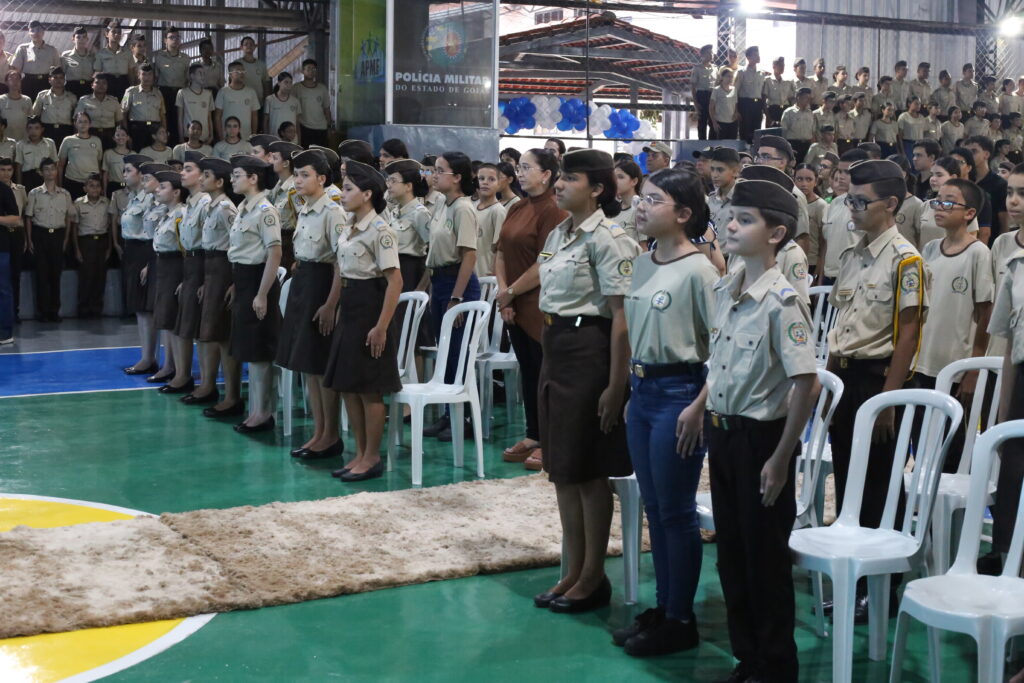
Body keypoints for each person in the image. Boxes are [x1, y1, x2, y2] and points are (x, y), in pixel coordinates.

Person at [682, 177, 819, 683]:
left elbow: (806, 383)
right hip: (722, 434)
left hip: (761, 441)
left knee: (764, 559)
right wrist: (699, 405)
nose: (731, 226)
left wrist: (782, 458)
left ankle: (776, 666)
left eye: (745, 220)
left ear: (776, 233)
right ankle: (748, 658)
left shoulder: (782, 301)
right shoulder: (728, 287)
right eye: (730, 217)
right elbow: (721, 364)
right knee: (732, 555)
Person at [614, 168, 718, 657]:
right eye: (642, 198)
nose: (641, 206)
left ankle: (681, 619)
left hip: (681, 393)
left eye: (654, 200)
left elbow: (724, 348)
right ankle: (663, 607)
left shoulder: (700, 272)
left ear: (683, 213)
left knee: (676, 512)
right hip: (644, 391)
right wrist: (629, 389)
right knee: (654, 509)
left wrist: (699, 406)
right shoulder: (642, 263)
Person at [532, 149, 639, 615]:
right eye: (559, 176)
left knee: (589, 470)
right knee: (562, 468)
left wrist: (616, 385)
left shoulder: (609, 239)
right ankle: (572, 570)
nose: (558, 184)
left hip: (590, 353)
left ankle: (593, 576)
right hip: (556, 348)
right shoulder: (559, 233)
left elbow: (622, 318)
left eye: (570, 178)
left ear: (596, 189)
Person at [826, 159, 928, 621]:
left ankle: (883, 587)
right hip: (847, 379)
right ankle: (856, 577)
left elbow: (908, 334)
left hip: (878, 381)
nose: (852, 207)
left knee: (881, 484)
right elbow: (841, 326)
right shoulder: (854, 254)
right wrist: (829, 383)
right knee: (849, 478)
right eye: (849, 198)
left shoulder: (906, 260)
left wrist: (888, 400)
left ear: (890, 204)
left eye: (860, 201)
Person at [321, 160, 402, 481]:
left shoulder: (380, 231)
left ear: (367, 194)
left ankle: (372, 457)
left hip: (371, 309)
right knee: (348, 387)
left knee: (369, 389)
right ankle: (358, 453)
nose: (342, 194)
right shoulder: (350, 226)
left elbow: (395, 282)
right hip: (351, 307)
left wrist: (381, 327)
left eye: (349, 188)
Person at [917, 178, 993, 473]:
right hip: (922, 362)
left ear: (969, 213)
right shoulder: (930, 249)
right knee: (920, 439)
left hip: (955, 367)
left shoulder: (978, 253)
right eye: (937, 200)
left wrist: (973, 369)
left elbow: (985, 314)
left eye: (949, 202)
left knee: (951, 446)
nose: (939, 207)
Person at [983, 168, 1024, 579]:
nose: (1014, 201)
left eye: (1023, 194)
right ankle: (1007, 560)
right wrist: (1003, 413)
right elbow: (1011, 343)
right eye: (1010, 192)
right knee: (1012, 472)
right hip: (1021, 379)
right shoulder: (1011, 258)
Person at [227, 154, 282, 433]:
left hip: (259, 281)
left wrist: (261, 294)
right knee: (250, 349)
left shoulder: (265, 210)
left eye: (237, 175)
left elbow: (274, 253)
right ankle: (256, 409)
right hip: (244, 278)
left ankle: (264, 413)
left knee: (260, 351)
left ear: (253, 178)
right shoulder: (244, 208)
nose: (232, 179)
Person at [193, 156, 242, 413]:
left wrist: (234, 281)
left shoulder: (225, 208)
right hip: (212, 268)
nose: (201, 179)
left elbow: (236, 244)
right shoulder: (211, 207)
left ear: (220, 182)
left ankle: (232, 396)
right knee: (212, 332)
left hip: (224, 269)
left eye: (207, 176)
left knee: (224, 335)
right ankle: (211, 386)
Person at [166, 151, 210, 397]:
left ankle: (205, 382)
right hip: (190, 263)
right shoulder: (191, 203)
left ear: (202, 175)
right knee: (185, 324)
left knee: (202, 328)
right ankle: (183, 376)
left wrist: (203, 279)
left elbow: (211, 244)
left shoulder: (205, 203)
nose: (182, 173)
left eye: (188, 169)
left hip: (203, 263)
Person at [117, 154, 159, 373]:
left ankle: (149, 358)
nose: (124, 174)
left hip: (145, 251)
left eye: (128, 170)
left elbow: (155, 232)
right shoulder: (133, 197)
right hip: (132, 251)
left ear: (141, 174)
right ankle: (146, 356)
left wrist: (150, 262)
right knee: (139, 309)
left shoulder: (150, 198)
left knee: (146, 308)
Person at [24, 157, 72, 321]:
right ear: (41, 172)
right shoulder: (34, 193)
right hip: (40, 235)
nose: (50, 172)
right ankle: (43, 311)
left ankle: (54, 311)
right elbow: (29, 218)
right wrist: (29, 239)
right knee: (41, 275)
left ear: (56, 171)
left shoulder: (64, 194)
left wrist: (65, 239)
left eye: (52, 169)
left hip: (58, 235)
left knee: (55, 274)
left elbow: (68, 218)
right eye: (46, 169)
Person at [817, 148, 867, 284]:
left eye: (848, 172)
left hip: (855, 277)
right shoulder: (834, 203)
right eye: (840, 171)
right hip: (829, 277)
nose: (841, 176)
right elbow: (827, 244)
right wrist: (821, 278)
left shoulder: (870, 205)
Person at [70, 173, 110, 318]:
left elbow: (110, 226)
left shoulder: (106, 202)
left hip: (102, 241)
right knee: (86, 276)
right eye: (91, 186)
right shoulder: (78, 203)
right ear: (85, 188)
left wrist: (109, 248)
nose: (95, 189)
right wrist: (77, 250)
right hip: (85, 242)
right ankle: (83, 308)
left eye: (98, 186)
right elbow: (74, 228)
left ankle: (97, 308)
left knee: (100, 276)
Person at [964, 135, 1009, 244]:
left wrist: (1001, 246)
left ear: (986, 154)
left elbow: (1004, 222)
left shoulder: (999, 184)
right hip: (965, 240)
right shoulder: (964, 181)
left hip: (991, 241)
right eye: (966, 152)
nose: (969, 156)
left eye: (974, 151)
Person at [265, 139, 301, 271]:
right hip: (278, 239)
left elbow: (302, 219)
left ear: (286, 163)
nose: (270, 161)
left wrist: (298, 256)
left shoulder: (294, 188)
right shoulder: (278, 184)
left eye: (275, 158)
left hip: (289, 243)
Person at [151, 27, 189, 145]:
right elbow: (155, 78)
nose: (175, 40)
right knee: (164, 121)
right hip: (164, 93)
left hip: (180, 93)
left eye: (177, 37)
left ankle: (179, 146)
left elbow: (188, 79)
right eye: (171, 37)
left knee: (179, 122)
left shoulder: (185, 58)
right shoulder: (159, 57)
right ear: (165, 40)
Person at [0, 157, 25, 323]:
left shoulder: (18, 190)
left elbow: (21, 217)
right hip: (3, 235)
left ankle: (12, 315)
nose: (6, 173)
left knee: (12, 277)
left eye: (9, 170)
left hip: (13, 235)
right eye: (2, 170)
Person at [57, 111, 102, 200]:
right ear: (75, 124)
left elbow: (99, 164)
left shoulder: (97, 141)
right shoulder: (68, 140)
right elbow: (60, 165)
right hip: (73, 182)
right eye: (80, 121)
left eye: (85, 121)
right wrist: (59, 185)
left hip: (92, 184)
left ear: (90, 124)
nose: (83, 124)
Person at [473, 163, 508, 277]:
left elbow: (499, 248)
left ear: (499, 184)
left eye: (491, 179)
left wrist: (493, 272)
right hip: (470, 271)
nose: (485, 182)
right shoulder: (471, 206)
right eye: (481, 178)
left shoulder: (498, 211)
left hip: (485, 273)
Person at [122, 64, 166, 153]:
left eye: (149, 74)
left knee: (154, 155)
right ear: (138, 75)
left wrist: (164, 131)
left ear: (153, 76)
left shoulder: (158, 93)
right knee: (138, 155)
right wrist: (126, 134)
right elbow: (123, 113)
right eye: (144, 74)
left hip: (154, 129)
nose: (147, 78)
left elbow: (162, 115)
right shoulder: (130, 91)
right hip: (137, 130)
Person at [12, 21, 61, 99]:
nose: (35, 33)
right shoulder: (22, 49)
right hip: (27, 84)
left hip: (46, 83)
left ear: (43, 32)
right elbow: (15, 70)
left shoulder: (52, 50)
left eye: (38, 30)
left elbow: (57, 70)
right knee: (27, 105)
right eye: (32, 30)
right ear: (29, 33)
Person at [214, 62, 259, 141]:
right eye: (238, 71)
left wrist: (254, 136)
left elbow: (254, 116)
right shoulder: (223, 92)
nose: (241, 73)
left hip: (246, 138)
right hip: (227, 138)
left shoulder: (251, 92)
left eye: (243, 71)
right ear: (230, 74)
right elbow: (217, 117)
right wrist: (221, 137)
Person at [794, 162, 826, 275]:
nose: (804, 184)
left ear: (815, 182)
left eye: (809, 179)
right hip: (793, 259)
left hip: (812, 263)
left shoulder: (820, 206)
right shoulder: (791, 202)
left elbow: (823, 242)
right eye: (799, 179)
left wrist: (819, 269)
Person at [75, 73, 122, 149]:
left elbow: (119, 121)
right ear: (92, 85)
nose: (101, 85)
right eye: (97, 83)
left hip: (109, 135)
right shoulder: (84, 101)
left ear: (107, 86)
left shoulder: (114, 101)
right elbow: (77, 120)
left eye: (104, 83)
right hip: (90, 134)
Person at [33, 66, 77, 143]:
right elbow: (35, 114)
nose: (58, 80)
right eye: (55, 77)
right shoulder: (42, 95)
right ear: (49, 80)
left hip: (65, 131)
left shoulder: (72, 97)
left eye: (61, 77)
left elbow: (75, 118)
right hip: (47, 130)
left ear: (64, 80)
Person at [295, 59, 331, 148]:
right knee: (306, 153)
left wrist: (329, 127)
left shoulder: (322, 88)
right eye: (308, 69)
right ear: (303, 71)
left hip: (321, 128)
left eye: (314, 69)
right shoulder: (296, 88)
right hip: (304, 128)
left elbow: (327, 109)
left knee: (321, 153)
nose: (311, 71)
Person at [0, 164, 18, 342]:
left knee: (3, 289)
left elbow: (15, 219)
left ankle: (5, 333)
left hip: (1, 248)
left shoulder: (4, 190)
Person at [94, 22, 133, 101]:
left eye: (119, 32)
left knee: (124, 104)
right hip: (108, 84)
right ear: (107, 34)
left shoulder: (127, 53)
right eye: (114, 32)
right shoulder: (101, 54)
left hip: (123, 83)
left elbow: (131, 72)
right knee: (109, 106)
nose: (117, 34)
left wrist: (132, 86)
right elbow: (97, 73)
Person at [176, 65, 214, 145]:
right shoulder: (182, 93)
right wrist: (181, 137)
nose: (203, 76)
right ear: (192, 76)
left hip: (204, 137)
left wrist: (211, 135)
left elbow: (209, 117)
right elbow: (180, 117)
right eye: (200, 73)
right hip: (188, 136)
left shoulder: (208, 94)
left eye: (204, 73)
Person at [706, 146, 740, 236]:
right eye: (712, 169)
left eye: (720, 170)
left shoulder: (743, 201)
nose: (714, 175)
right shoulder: (711, 199)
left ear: (735, 171)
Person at [15, 117, 56, 190]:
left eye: (37, 128)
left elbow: (55, 164)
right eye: (30, 128)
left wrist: (56, 184)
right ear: (27, 130)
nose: (33, 131)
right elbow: (19, 166)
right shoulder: (20, 145)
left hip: (45, 176)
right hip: (27, 178)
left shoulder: (50, 143)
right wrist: (19, 186)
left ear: (42, 129)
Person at [734, 46, 765, 143]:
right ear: (748, 57)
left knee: (757, 131)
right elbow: (735, 92)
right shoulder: (741, 72)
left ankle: (755, 151)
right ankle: (744, 151)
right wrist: (736, 110)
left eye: (758, 54)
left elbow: (762, 92)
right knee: (745, 131)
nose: (758, 56)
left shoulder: (761, 73)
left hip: (757, 105)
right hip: (745, 104)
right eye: (755, 55)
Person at [264, 72, 302, 146]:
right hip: (274, 141)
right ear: (279, 83)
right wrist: (266, 140)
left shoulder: (295, 101)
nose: (288, 85)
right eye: (286, 82)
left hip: (293, 142)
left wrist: (299, 142)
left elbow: (297, 124)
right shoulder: (270, 100)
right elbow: (265, 122)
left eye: (290, 83)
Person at [781, 86, 815, 163]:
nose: (808, 100)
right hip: (794, 145)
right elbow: (784, 132)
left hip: (807, 145)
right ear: (798, 97)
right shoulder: (789, 112)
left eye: (809, 98)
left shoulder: (810, 113)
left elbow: (812, 132)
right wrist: (787, 148)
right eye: (806, 97)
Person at [60, 26, 94, 99]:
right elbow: (61, 74)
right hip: (71, 87)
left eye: (84, 37)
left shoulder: (92, 56)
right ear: (73, 39)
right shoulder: (66, 55)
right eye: (78, 37)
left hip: (87, 88)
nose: (81, 40)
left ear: (87, 39)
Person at [613, 158, 642, 244]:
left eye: (620, 177)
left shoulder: (641, 208)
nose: (615, 181)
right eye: (614, 177)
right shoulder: (614, 209)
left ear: (634, 181)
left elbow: (644, 247)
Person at [0, 71, 33, 142]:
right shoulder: (1, 100)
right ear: (6, 82)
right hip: (5, 142)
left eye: (17, 79)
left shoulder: (27, 100)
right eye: (11, 78)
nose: (15, 81)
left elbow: (31, 121)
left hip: (23, 141)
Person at [692, 45, 715, 141]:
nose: (711, 55)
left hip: (712, 96)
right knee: (702, 122)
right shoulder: (697, 68)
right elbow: (693, 87)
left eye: (712, 52)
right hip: (702, 96)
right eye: (708, 53)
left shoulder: (715, 68)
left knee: (713, 121)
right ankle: (702, 143)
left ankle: (712, 143)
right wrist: (696, 103)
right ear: (702, 55)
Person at [763, 56, 793, 127]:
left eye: (783, 65)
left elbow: (790, 99)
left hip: (785, 110)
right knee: (772, 132)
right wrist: (768, 116)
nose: (782, 67)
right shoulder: (768, 80)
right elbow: (764, 100)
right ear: (774, 66)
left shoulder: (787, 82)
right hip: (773, 110)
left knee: (784, 132)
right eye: (780, 65)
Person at [238, 36, 270, 103]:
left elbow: (266, 83)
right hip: (241, 101)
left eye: (251, 44)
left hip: (258, 101)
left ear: (255, 47)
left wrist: (267, 99)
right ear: (241, 47)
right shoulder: (237, 64)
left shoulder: (261, 64)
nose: (249, 46)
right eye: (246, 44)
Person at [710, 68, 739, 140]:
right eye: (728, 76)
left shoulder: (734, 89)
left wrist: (736, 112)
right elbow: (711, 107)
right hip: (721, 123)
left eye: (731, 76)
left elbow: (735, 103)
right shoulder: (716, 90)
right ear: (722, 77)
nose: (730, 78)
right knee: (721, 144)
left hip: (732, 122)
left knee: (732, 143)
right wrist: (714, 123)